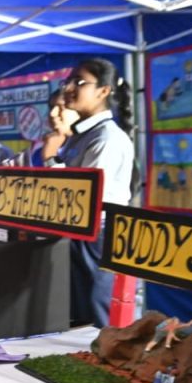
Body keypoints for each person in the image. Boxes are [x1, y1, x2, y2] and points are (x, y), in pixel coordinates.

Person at [43, 58, 135, 328]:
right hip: (77, 235)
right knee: (76, 314)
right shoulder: (81, 135)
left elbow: (81, 198)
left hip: (98, 238)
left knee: (98, 319)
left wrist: (50, 160)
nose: (69, 88)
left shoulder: (106, 138)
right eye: (68, 81)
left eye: (79, 82)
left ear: (103, 91)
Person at [5, 91, 79, 168]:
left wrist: (50, 155)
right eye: (51, 107)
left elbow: (64, 179)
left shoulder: (87, 144)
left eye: (61, 107)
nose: (52, 113)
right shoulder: (37, 150)